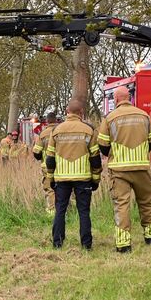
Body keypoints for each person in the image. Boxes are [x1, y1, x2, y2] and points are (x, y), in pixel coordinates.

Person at [97, 86, 151, 252]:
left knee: (122, 205)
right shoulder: (144, 116)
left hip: (119, 170)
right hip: (142, 167)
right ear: (130, 98)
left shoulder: (109, 118)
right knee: (147, 202)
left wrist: (115, 154)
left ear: (116, 99)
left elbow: (103, 146)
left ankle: (123, 245)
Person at [46, 100, 101, 250]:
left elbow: (50, 158)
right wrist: (96, 179)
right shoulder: (89, 130)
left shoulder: (56, 130)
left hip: (62, 178)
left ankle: (57, 243)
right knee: (84, 211)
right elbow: (95, 158)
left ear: (66, 111)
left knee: (60, 210)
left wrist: (50, 178)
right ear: (81, 112)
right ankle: (86, 245)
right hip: (83, 178)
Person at [32, 112, 60, 213]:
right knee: (63, 189)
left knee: (50, 189)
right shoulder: (61, 131)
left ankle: (52, 212)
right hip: (62, 166)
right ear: (56, 120)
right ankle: (67, 211)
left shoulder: (43, 134)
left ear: (47, 121)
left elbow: (36, 152)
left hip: (47, 167)